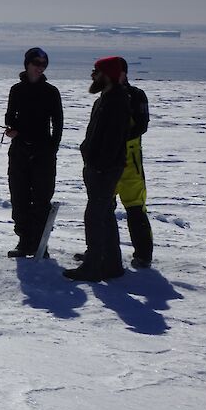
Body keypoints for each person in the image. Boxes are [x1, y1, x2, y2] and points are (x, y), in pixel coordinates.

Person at [74, 58, 153, 268]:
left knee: (135, 206)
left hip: (130, 160)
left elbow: (142, 125)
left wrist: (117, 138)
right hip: (105, 160)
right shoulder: (105, 97)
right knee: (102, 207)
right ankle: (99, 251)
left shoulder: (135, 95)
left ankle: (143, 254)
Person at [63, 57, 131, 282]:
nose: (92, 75)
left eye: (96, 71)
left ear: (107, 75)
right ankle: (111, 264)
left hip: (105, 169)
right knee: (103, 214)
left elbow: (112, 141)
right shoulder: (106, 99)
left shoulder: (117, 102)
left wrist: (100, 166)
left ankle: (93, 267)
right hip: (98, 168)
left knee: (94, 216)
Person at [4, 47, 63, 257]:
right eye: (36, 63)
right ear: (27, 64)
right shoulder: (16, 90)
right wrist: (12, 130)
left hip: (43, 153)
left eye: (43, 64)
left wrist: (52, 148)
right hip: (19, 150)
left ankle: (39, 243)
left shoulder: (51, 92)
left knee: (41, 199)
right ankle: (24, 240)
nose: (40, 67)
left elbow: (58, 123)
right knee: (19, 196)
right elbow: (10, 116)